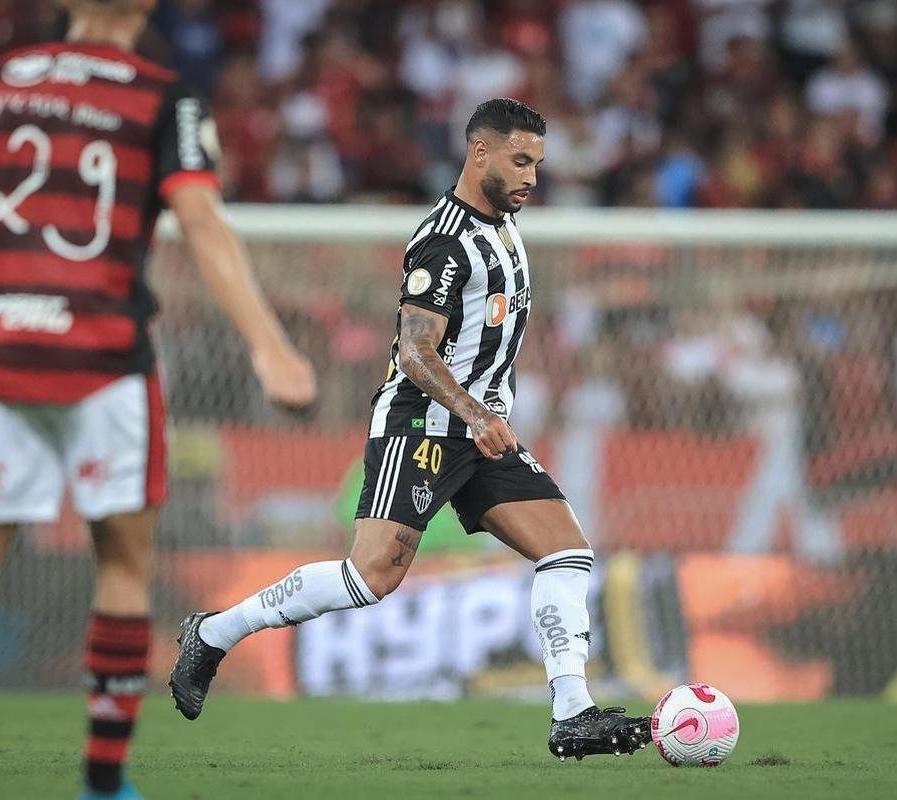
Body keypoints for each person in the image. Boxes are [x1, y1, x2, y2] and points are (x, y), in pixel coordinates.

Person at [169, 98, 651, 762]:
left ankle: (572, 713)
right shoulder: (445, 240)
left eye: (536, 164)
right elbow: (416, 351)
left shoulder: (506, 227)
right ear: (478, 152)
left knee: (567, 554)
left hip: (483, 433)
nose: (531, 177)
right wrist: (479, 414)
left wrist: (487, 416)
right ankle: (216, 632)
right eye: (519, 160)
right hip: (421, 430)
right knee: (370, 579)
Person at [0, 2, 316, 798]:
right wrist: (270, 346)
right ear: (144, 7)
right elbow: (202, 223)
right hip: (103, 352)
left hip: (2, 340)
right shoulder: (161, 95)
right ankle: (104, 783)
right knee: (124, 563)